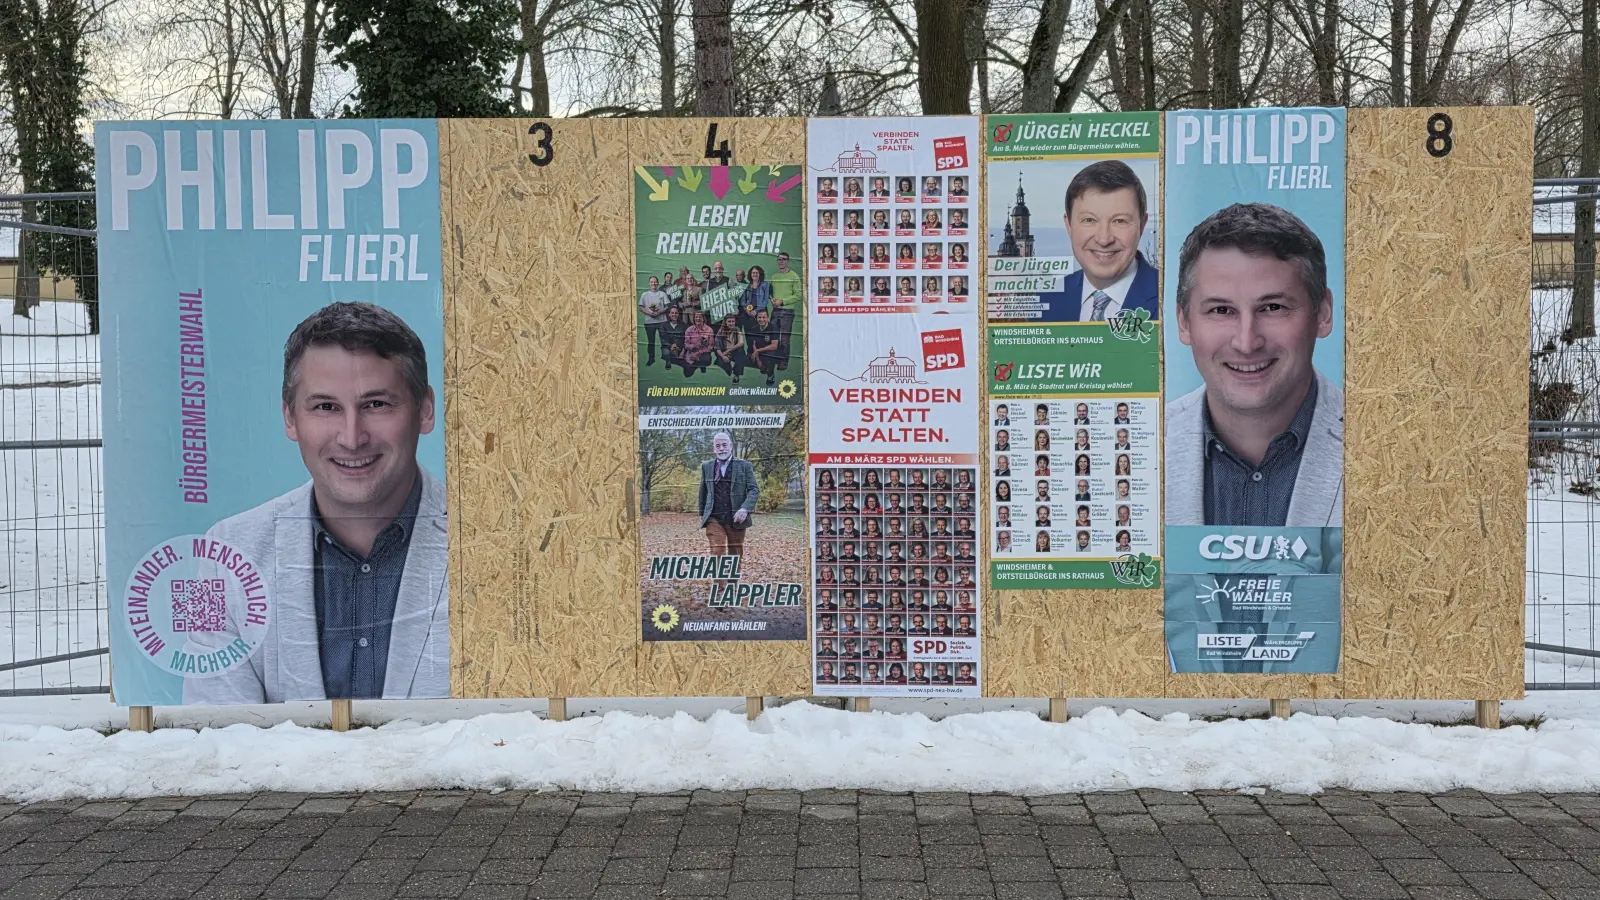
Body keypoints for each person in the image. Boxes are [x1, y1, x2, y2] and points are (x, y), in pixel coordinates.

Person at [184, 303, 448, 705]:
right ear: (290, 418)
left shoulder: (497, 546)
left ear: (425, 410)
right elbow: (218, 741)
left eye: (376, 404)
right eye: (325, 407)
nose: (352, 436)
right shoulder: (221, 555)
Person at [1167, 202, 1343, 528]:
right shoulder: (1138, 447)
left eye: (1273, 307)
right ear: (1184, 322)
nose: (1246, 343)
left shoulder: (1386, 447)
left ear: (1323, 314)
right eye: (1221, 311)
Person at [1031, 160, 1161, 323]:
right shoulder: (1045, 303)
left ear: (1142, 225)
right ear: (1068, 225)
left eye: (1119, 221)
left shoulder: (1172, 299)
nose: (1104, 239)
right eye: (1089, 220)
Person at [699, 431, 758, 570]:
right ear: (714, 449)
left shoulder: (744, 466)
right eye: (718, 446)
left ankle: (732, 586)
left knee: (735, 554)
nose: (721, 448)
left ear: (731, 446)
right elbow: (703, 490)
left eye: (724, 445)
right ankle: (720, 588)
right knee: (717, 551)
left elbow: (753, 490)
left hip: (736, 518)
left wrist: (745, 508)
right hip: (714, 518)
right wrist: (702, 513)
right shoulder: (706, 466)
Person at [638, 276, 672, 367]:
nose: (653, 283)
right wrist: (649, 313)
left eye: (655, 282)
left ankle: (667, 360)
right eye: (652, 282)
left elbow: (668, 306)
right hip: (649, 322)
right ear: (649, 283)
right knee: (651, 342)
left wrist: (660, 312)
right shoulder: (645, 295)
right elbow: (641, 308)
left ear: (658, 283)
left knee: (665, 341)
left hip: (662, 321)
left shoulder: (662, 294)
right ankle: (651, 358)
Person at [745, 309, 783, 386]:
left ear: (767, 318)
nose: (761, 320)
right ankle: (762, 366)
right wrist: (758, 360)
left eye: (764, 317)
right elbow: (754, 344)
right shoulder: (754, 328)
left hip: (772, 351)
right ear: (756, 318)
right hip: (760, 351)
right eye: (759, 317)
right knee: (746, 359)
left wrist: (757, 351)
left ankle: (770, 375)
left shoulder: (773, 327)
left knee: (770, 355)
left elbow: (774, 346)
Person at [713, 314, 747, 383]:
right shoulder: (720, 332)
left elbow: (741, 343)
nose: (731, 323)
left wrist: (728, 350)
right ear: (725, 322)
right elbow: (717, 348)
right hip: (724, 352)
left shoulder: (737, 329)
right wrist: (723, 356)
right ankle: (729, 367)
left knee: (741, 352)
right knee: (724, 365)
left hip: (734, 351)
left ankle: (736, 374)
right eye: (729, 321)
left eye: (733, 321)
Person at [681, 310, 714, 376]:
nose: (698, 319)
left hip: (703, 353)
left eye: (700, 317)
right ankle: (699, 365)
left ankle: (699, 364)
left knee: (707, 360)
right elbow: (686, 345)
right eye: (696, 317)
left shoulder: (709, 330)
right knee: (687, 374)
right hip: (691, 353)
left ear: (703, 319)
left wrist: (698, 354)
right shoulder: (689, 330)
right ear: (693, 319)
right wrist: (695, 346)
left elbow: (711, 346)